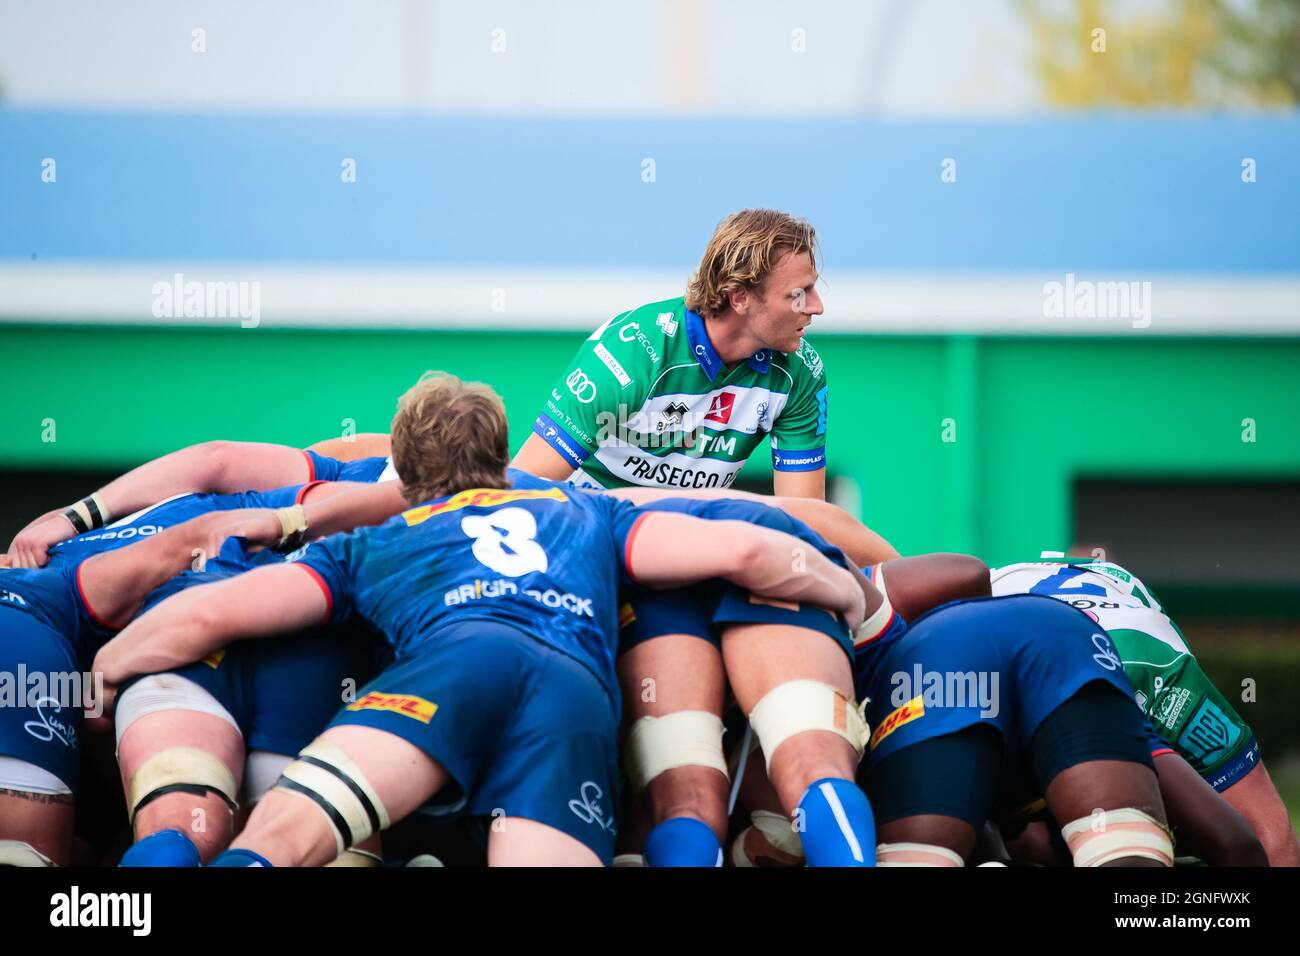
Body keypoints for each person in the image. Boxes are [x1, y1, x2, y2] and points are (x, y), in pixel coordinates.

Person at [93, 372, 866, 867]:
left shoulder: (376, 541)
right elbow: (747, 551)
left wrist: (108, 666)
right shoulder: (584, 510)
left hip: (451, 671)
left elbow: (214, 612)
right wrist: (848, 593)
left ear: (404, 470)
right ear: (501, 457)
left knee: (279, 841)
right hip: (570, 701)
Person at [991, 553, 1300, 866]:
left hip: (1111, 626)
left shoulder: (1164, 688)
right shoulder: (976, 692)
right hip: (1009, 609)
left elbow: (1265, 837)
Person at [512, 209, 831, 498]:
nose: (816, 306)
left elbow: (805, 520)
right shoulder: (632, 353)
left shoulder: (800, 371)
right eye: (798, 294)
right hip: (589, 519)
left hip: (681, 530)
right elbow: (519, 492)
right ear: (739, 297)